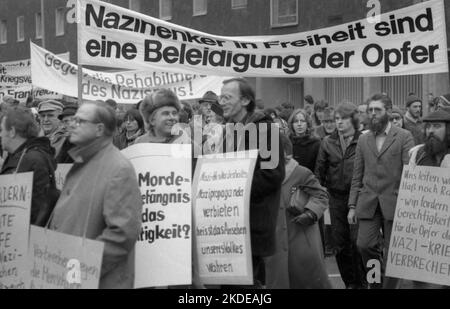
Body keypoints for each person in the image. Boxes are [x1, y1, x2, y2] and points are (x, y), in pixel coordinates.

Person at [49, 101, 142, 289]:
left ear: (99, 129)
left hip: (97, 281)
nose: (72, 124)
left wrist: (82, 266)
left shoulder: (118, 168)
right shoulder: (83, 159)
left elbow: (123, 232)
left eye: (80, 121)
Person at [219, 77, 285, 287]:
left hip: (252, 223)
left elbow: (272, 175)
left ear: (245, 100)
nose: (221, 102)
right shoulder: (228, 130)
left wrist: (235, 190)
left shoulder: (265, 129)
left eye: (227, 97)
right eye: (221, 97)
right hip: (229, 222)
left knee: (249, 283)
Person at [348, 93, 414, 289]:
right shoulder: (363, 139)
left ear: (388, 111)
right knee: (364, 246)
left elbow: (409, 174)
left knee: (394, 254)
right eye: (370, 110)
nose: (373, 114)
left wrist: (409, 205)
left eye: (378, 110)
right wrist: (352, 205)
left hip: (395, 203)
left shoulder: (404, 136)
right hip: (368, 202)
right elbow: (357, 175)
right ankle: (375, 283)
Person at [265, 134, 331, 289]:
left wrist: (311, 213)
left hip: (300, 236)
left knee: (308, 280)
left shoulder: (301, 172)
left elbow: (321, 195)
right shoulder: (262, 176)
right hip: (274, 241)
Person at [315, 103, 366, 289]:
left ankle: (364, 281)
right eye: (337, 119)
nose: (339, 123)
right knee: (339, 243)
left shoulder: (364, 139)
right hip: (335, 198)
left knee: (359, 243)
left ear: (352, 119)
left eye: (343, 118)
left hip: (359, 197)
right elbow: (319, 171)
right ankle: (350, 283)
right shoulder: (328, 142)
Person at [0, 106, 58, 227]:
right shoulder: (16, 156)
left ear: (12, 132)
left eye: (1, 130)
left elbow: (39, 209)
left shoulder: (33, 159)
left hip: (22, 234)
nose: (0, 135)